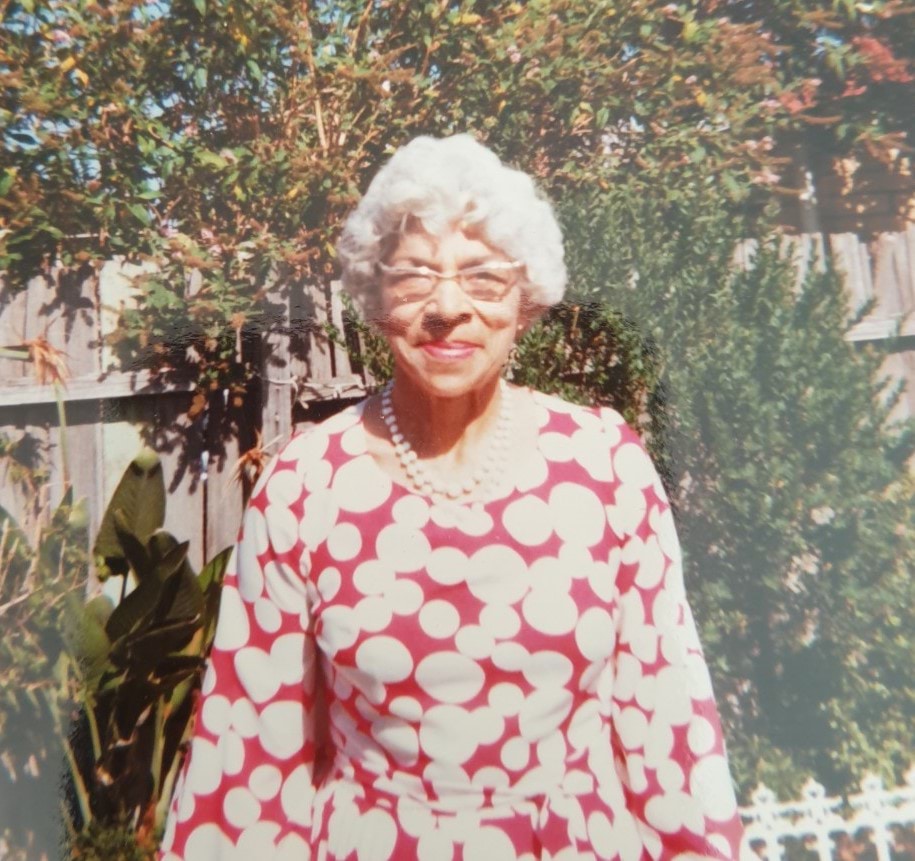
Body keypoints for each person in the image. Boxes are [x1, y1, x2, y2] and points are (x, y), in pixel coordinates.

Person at [160, 134, 745, 860]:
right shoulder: (307, 483)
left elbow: (668, 727)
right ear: (375, 300)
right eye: (412, 278)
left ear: (524, 301)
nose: (445, 307)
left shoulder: (606, 469)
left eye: (482, 278)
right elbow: (248, 754)